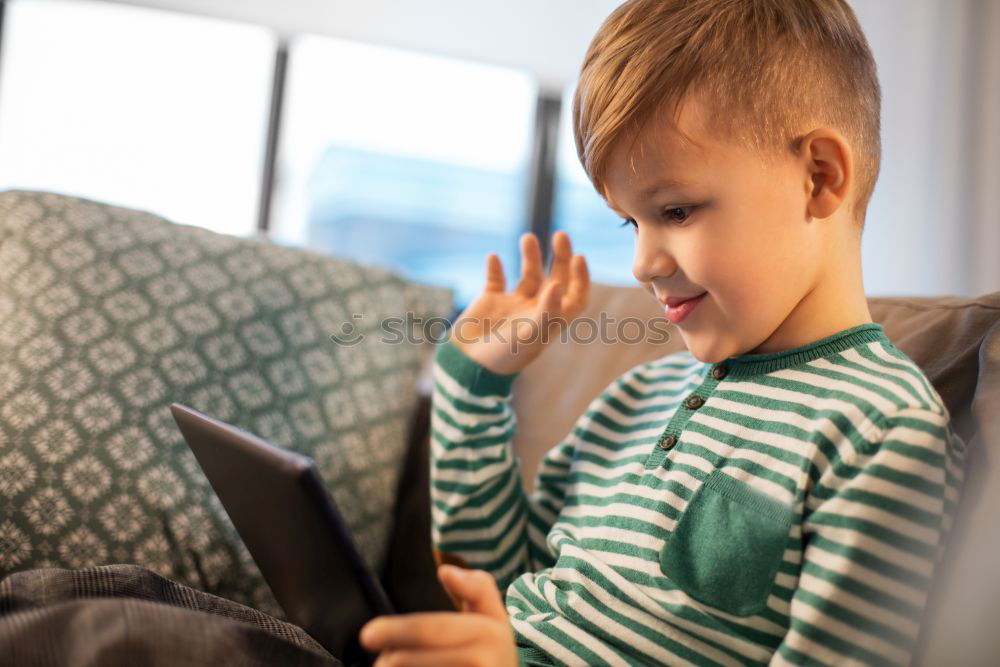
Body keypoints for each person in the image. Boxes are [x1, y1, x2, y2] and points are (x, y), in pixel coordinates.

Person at [359, 0, 967, 664]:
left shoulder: (880, 430)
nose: (643, 262)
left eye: (675, 209)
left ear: (819, 176)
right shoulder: (636, 398)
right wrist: (474, 386)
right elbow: (494, 589)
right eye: (630, 221)